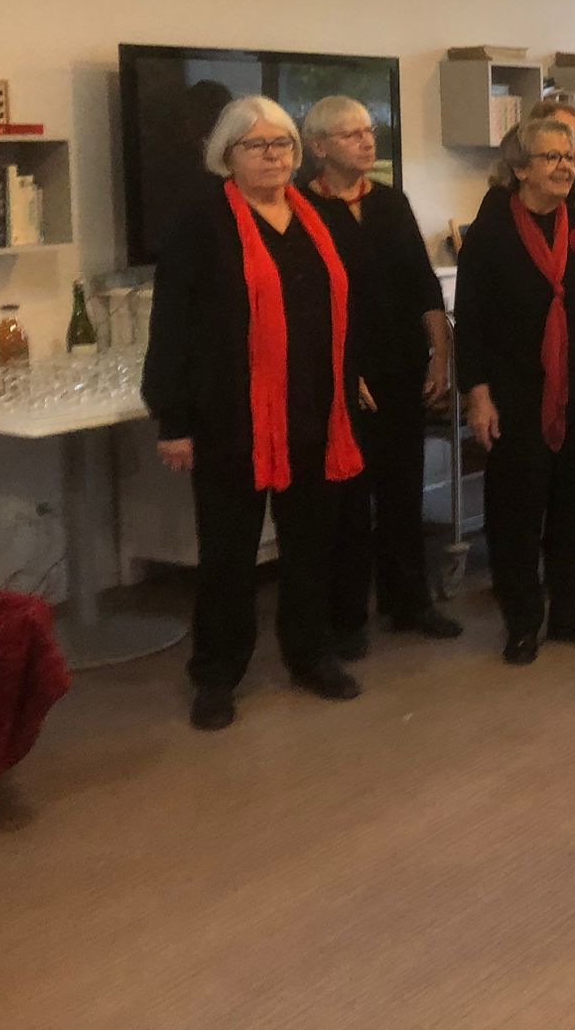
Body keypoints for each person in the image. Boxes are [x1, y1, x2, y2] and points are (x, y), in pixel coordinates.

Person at [143, 96, 366, 731]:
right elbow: (172, 326)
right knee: (228, 555)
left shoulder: (316, 218)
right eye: (257, 145)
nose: (273, 156)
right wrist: (173, 421)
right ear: (228, 154)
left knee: (310, 547)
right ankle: (216, 675)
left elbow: (337, 312)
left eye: (283, 144)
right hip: (229, 419)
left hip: (315, 413)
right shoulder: (199, 225)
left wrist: (351, 382)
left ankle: (309, 656)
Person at [454, 114, 575, 665]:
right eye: (551, 157)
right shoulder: (492, 230)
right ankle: (523, 622)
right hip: (515, 391)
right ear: (520, 168)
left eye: (570, 157)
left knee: (574, 506)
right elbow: (471, 320)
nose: (564, 166)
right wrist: (477, 394)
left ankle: (572, 616)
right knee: (516, 513)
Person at [302, 95, 462, 657]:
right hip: (339, 375)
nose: (367, 141)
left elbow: (423, 284)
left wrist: (440, 355)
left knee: (403, 489)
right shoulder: (301, 208)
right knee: (346, 501)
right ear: (319, 147)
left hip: (400, 367)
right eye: (351, 134)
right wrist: (343, 370)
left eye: (369, 131)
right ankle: (346, 619)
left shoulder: (390, 202)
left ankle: (409, 601)